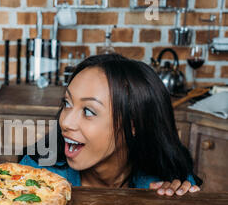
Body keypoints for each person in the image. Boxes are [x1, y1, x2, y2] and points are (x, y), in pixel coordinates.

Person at [20, 54, 202, 196]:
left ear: (134, 125)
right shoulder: (34, 176)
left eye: (88, 111)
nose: (65, 122)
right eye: (67, 103)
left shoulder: (166, 182)